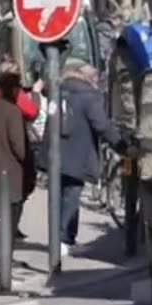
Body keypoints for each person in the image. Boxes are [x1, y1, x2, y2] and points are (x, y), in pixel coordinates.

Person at [57, 58, 130, 259]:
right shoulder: (89, 96)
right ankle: (62, 240)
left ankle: (66, 239)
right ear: (87, 77)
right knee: (71, 197)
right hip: (78, 152)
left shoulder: (59, 90)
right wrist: (122, 146)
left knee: (61, 196)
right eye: (96, 77)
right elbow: (102, 125)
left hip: (56, 151)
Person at [0, 67, 33, 266]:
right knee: (10, 217)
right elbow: (19, 146)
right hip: (10, 174)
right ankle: (4, 260)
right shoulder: (13, 112)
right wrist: (28, 166)